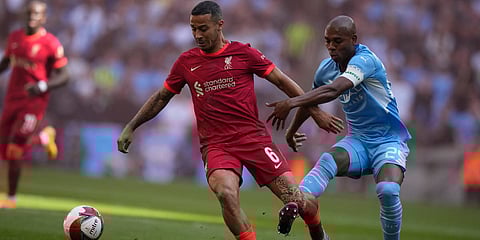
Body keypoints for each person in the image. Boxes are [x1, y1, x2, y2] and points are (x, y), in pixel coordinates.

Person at [117, 1, 343, 240]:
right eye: (193, 28)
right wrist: (132, 126)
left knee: (297, 200)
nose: (197, 35)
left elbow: (282, 81)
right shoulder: (186, 62)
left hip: (254, 140)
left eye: (203, 28)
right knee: (226, 193)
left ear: (219, 25)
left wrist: (316, 112)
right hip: (216, 145)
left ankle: (318, 232)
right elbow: (162, 96)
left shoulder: (244, 53)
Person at [267, 15, 411, 240]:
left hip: (388, 141)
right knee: (326, 161)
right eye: (327, 41)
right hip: (358, 142)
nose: (331, 47)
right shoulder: (326, 68)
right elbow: (312, 102)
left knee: (388, 190)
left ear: (354, 39)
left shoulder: (366, 61)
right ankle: (298, 203)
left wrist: (290, 102)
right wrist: (292, 130)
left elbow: (334, 90)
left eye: (337, 41)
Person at [0, 0, 69, 209]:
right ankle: (43, 138)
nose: (32, 17)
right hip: (12, 99)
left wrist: (42, 86)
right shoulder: (15, 38)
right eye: (29, 13)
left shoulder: (51, 43)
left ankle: (11, 199)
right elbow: (6, 63)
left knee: (15, 147)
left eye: (37, 14)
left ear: (44, 17)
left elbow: (65, 76)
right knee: (4, 146)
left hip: (33, 102)